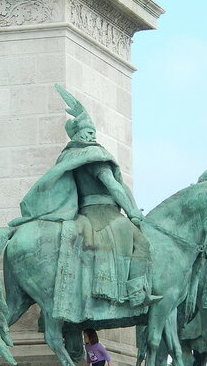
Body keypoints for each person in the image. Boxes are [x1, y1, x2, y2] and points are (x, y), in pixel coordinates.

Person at [10, 85, 155, 307]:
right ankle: (136, 293)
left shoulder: (69, 156)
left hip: (82, 213)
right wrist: (133, 213)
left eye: (92, 133)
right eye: (88, 133)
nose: (91, 136)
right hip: (104, 214)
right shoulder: (95, 155)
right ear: (78, 135)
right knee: (142, 243)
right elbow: (115, 187)